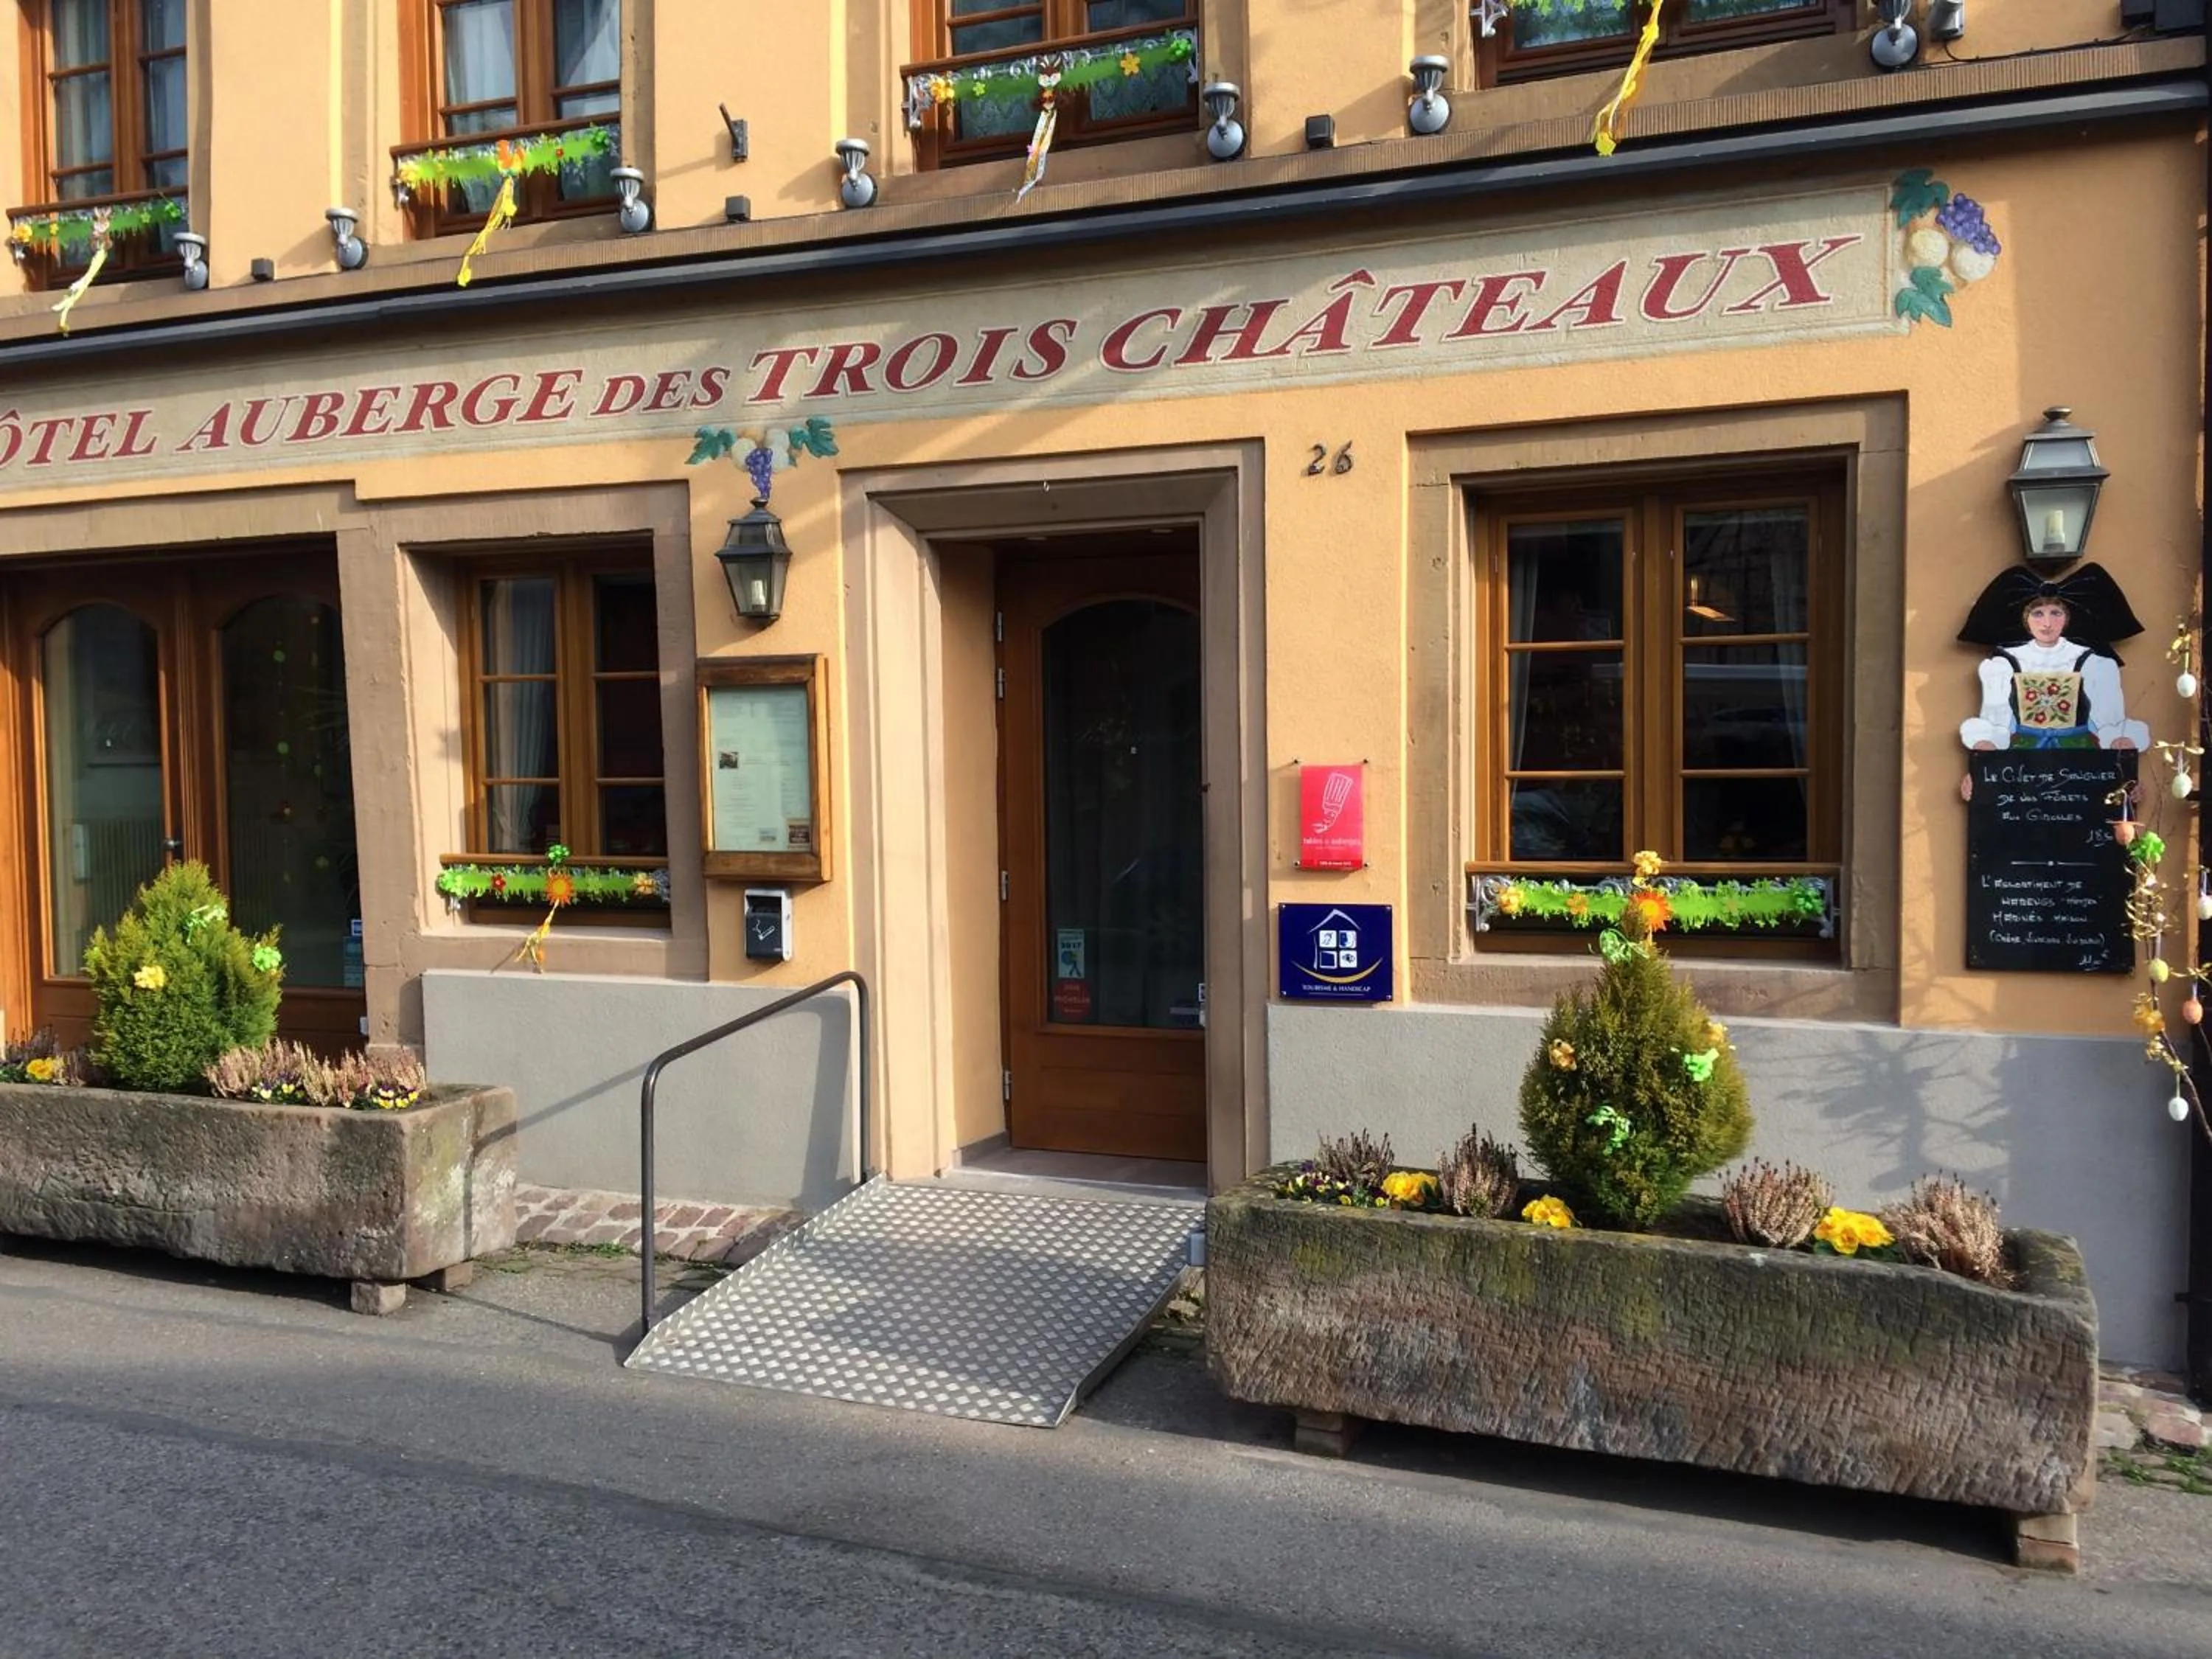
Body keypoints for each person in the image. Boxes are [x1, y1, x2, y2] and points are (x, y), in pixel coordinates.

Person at [1957, 563, 2148, 753]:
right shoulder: (2007, 661)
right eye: (2038, 614)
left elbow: (2107, 713)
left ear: (2066, 619)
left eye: (2056, 613)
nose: (2047, 623)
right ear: (2026, 620)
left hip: (2078, 753)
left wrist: (2116, 738)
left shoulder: (2089, 660)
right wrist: (1989, 741)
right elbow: (1996, 712)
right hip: (2024, 755)